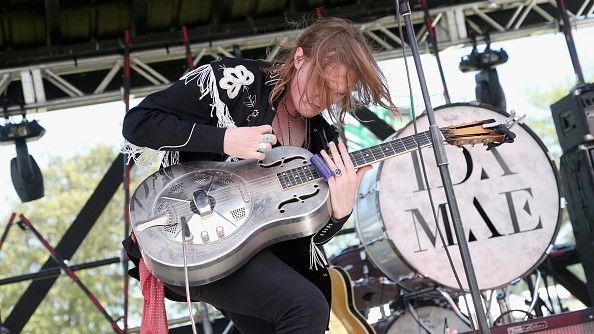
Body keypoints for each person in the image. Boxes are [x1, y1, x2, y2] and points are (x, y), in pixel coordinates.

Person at [121, 17, 397, 334]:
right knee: (305, 308)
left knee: (310, 305)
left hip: (254, 253)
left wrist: (338, 212)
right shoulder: (236, 82)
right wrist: (226, 139)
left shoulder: (323, 139)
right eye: (320, 82)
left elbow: (304, 233)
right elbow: (139, 123)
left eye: (335, 94)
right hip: (189, 236)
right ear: (299, 57)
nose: (323, 98)